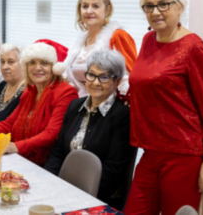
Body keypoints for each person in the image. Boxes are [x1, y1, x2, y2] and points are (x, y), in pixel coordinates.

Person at [124, 0, 203, 215]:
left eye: (163, 4)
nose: (155, 11)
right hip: (149, 152)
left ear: (180, 7)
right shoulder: (148, 40)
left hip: (183, 155)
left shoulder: (194, 49)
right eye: (149, 6)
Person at [44, 50, 135, 208]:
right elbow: (58, 152)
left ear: (117, 81)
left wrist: (72, 194)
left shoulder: (122, 115)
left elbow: (113, 170)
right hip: (63, 190)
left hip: (96, 197)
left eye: (104, 77)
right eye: (91, 75)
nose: (96, 82)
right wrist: (49, 182)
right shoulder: (75, 105)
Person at [0, 39, 79, 166]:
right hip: (21, 158)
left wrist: (15, 147)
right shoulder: (29, 91)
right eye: (32, 62)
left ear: (55, 67)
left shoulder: (66, 92)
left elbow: (51, 134)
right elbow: (9, 123)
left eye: (44, 63)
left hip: (44, 164)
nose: (37, 68)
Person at [66, 0, 138, 97]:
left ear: (107, 10)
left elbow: (128, 79)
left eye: (95, 6)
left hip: (110, 109)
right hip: (82, 106)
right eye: (85, 6)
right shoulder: (81, 42)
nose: (89, 11)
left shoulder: (117, 36)